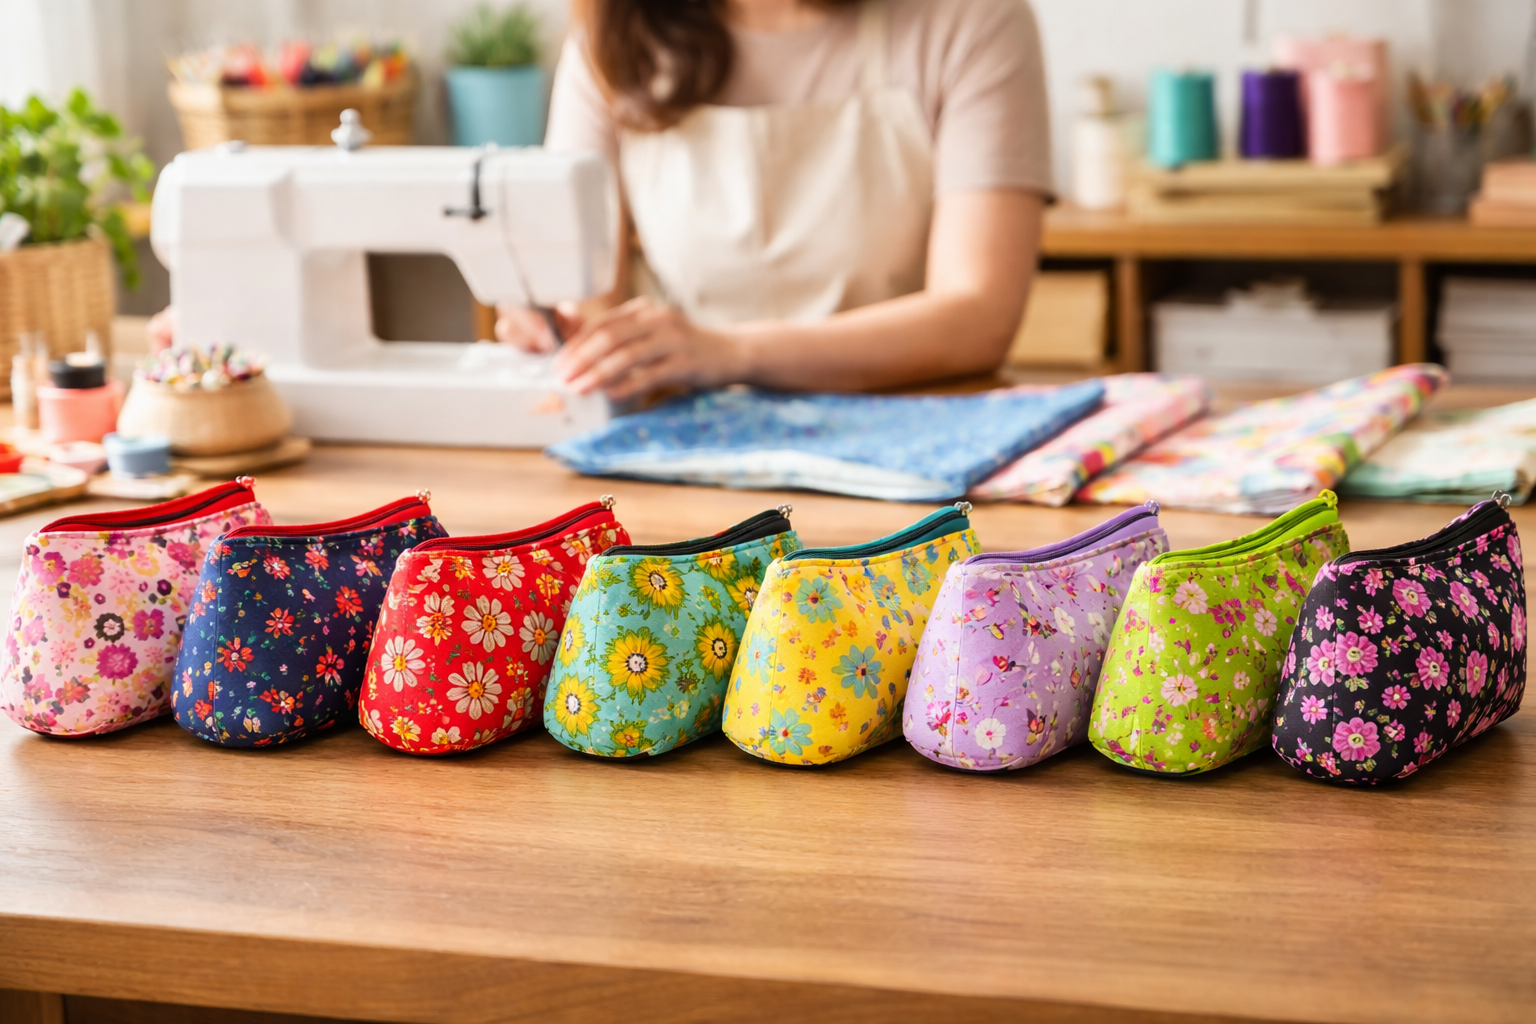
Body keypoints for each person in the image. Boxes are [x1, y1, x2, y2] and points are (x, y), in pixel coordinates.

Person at [497, 0, 1052, 402]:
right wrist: (558, 326)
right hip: (685, 437)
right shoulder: (613, 39)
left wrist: (730, 353)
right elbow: (583, 300)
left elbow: (979, 316)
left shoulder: (972, 19)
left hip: (910, 425)